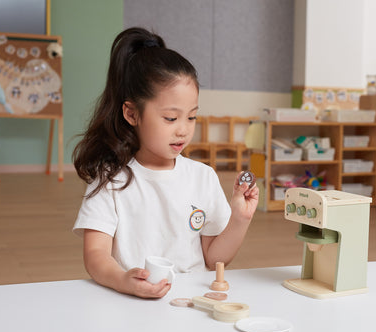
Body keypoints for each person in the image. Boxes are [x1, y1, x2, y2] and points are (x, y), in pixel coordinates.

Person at [72, 27, 259, 299]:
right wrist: (123, 280)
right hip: (130, 303)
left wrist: (240, 219)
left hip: (190, 303)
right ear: (132, 113)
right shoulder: (110, 178)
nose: (183, 130)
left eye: (191, 117)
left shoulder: (203, 177)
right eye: (171, 118)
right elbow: (95, 256)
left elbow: (213, 260)